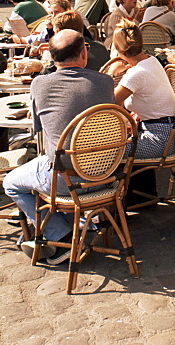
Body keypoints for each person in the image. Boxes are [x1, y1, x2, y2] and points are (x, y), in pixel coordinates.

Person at [4, 29, 115, 263]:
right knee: (49, 164)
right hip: (105, 173)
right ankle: (78, 225)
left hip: (66, 181)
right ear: (84, 53)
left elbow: (37, 129)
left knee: (11, 182)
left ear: (52, 58)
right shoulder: (105, 82)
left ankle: (60, 234)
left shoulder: (40, 84)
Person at [112, 21, 175, 159]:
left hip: (159, 139)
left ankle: (113, 181)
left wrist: (111, 74)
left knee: (106, 151)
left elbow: (108, 102)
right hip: (167, 131)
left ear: (118, 50)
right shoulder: (151, 60)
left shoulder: (137, 73)